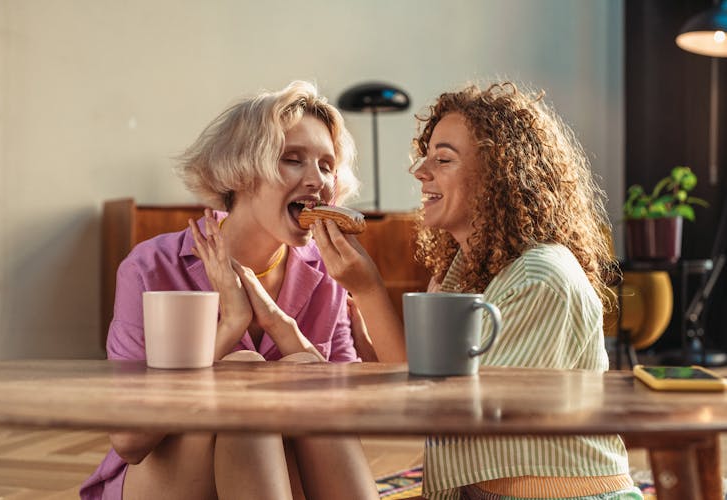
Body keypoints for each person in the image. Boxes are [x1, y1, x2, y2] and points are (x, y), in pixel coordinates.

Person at [313, 82, 642, 500]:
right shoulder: (469, 271)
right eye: (425, 155)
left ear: (498, 175)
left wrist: (370, 288)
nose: (420, 171)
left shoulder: (541, 279)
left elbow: (447, 415)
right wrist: (361, 295)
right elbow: (425, 385)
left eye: (443, 159)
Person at [80, 81, 378, 500]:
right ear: (242, 172)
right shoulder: (149, 267)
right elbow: (129, 441)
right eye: (293, 160)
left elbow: (342, 422)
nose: (317, 180)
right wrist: (228, 331)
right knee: (244, 372)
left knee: (306, 373)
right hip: (162, 481)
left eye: (327, 166)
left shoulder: (328, 275)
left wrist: (283, 330)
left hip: (279, 480)